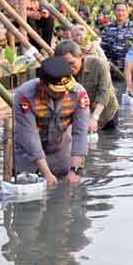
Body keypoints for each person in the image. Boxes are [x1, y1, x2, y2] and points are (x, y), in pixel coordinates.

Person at [13, 57, 90, 187]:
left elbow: (80, 133)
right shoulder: (24, 95)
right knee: (30, 193)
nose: (65, 93)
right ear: (44, 86)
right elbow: (30, 137)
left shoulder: (78, 93)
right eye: (58, 91)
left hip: (60, 151)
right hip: (27, 154)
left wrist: (75, 170)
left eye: (67, 88)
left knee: (63, 196)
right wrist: (46, 173)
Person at [55, 40, 118, 132]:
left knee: (106, 142)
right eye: (63, 65)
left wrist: (94, 118)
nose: (68, 68)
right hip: (79, 113)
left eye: (71, 63)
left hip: (105, 113)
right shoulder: (57, 71)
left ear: (80, 56)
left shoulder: (98, 65)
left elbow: (104, 94)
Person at [100, 2, 133, 70]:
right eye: (118, 10)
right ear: (114, 12)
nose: (120, 13)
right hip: (110, 68)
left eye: (123, 10)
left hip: (128, 70)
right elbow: (103, 48)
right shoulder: (107, 28)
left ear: (127, 12)